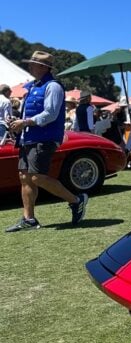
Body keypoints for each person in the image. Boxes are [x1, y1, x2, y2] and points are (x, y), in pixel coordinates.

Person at [5, 51, 89, 231]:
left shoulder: (53, 87)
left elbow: (50, 113)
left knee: (37, 177)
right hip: (29, 138)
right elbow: (31, 113)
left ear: (43, 67)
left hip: (44, 138)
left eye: (33, 64)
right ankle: (29, 220)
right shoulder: (33, 87)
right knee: (25, 177)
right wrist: (17, 121)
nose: (29, 67)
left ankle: (76, 200)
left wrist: (25, 122)